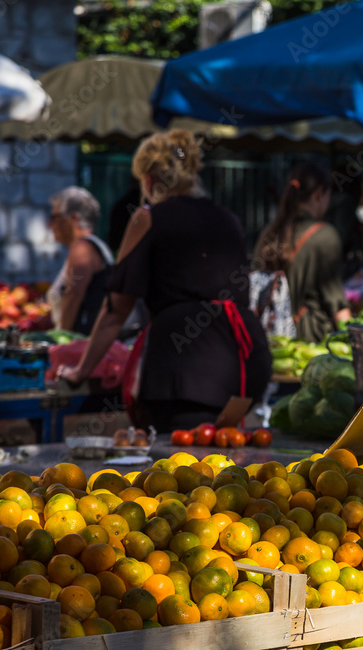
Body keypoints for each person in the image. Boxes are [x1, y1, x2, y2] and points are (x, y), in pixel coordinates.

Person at [57, 129, 271, 431]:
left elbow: (115, 311)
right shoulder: (228, 219)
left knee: (182, 468)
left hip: (185, 368)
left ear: (148, 180)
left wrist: (81, 371)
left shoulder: (147, 217)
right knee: (229, 462)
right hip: (245, 362)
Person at [254, 163, 350, 342]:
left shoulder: (269, 232)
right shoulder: (325, 235)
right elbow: (335, 303)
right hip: (308, 342)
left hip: (268, 338)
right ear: (319, 194)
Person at [45, 187, 114, 335]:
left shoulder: (82, 248)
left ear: (73, 219)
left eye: (54, 218)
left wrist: (62, 339)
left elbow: (74, 295)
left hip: (81, 343)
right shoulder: (94, 246)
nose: (50, 225)